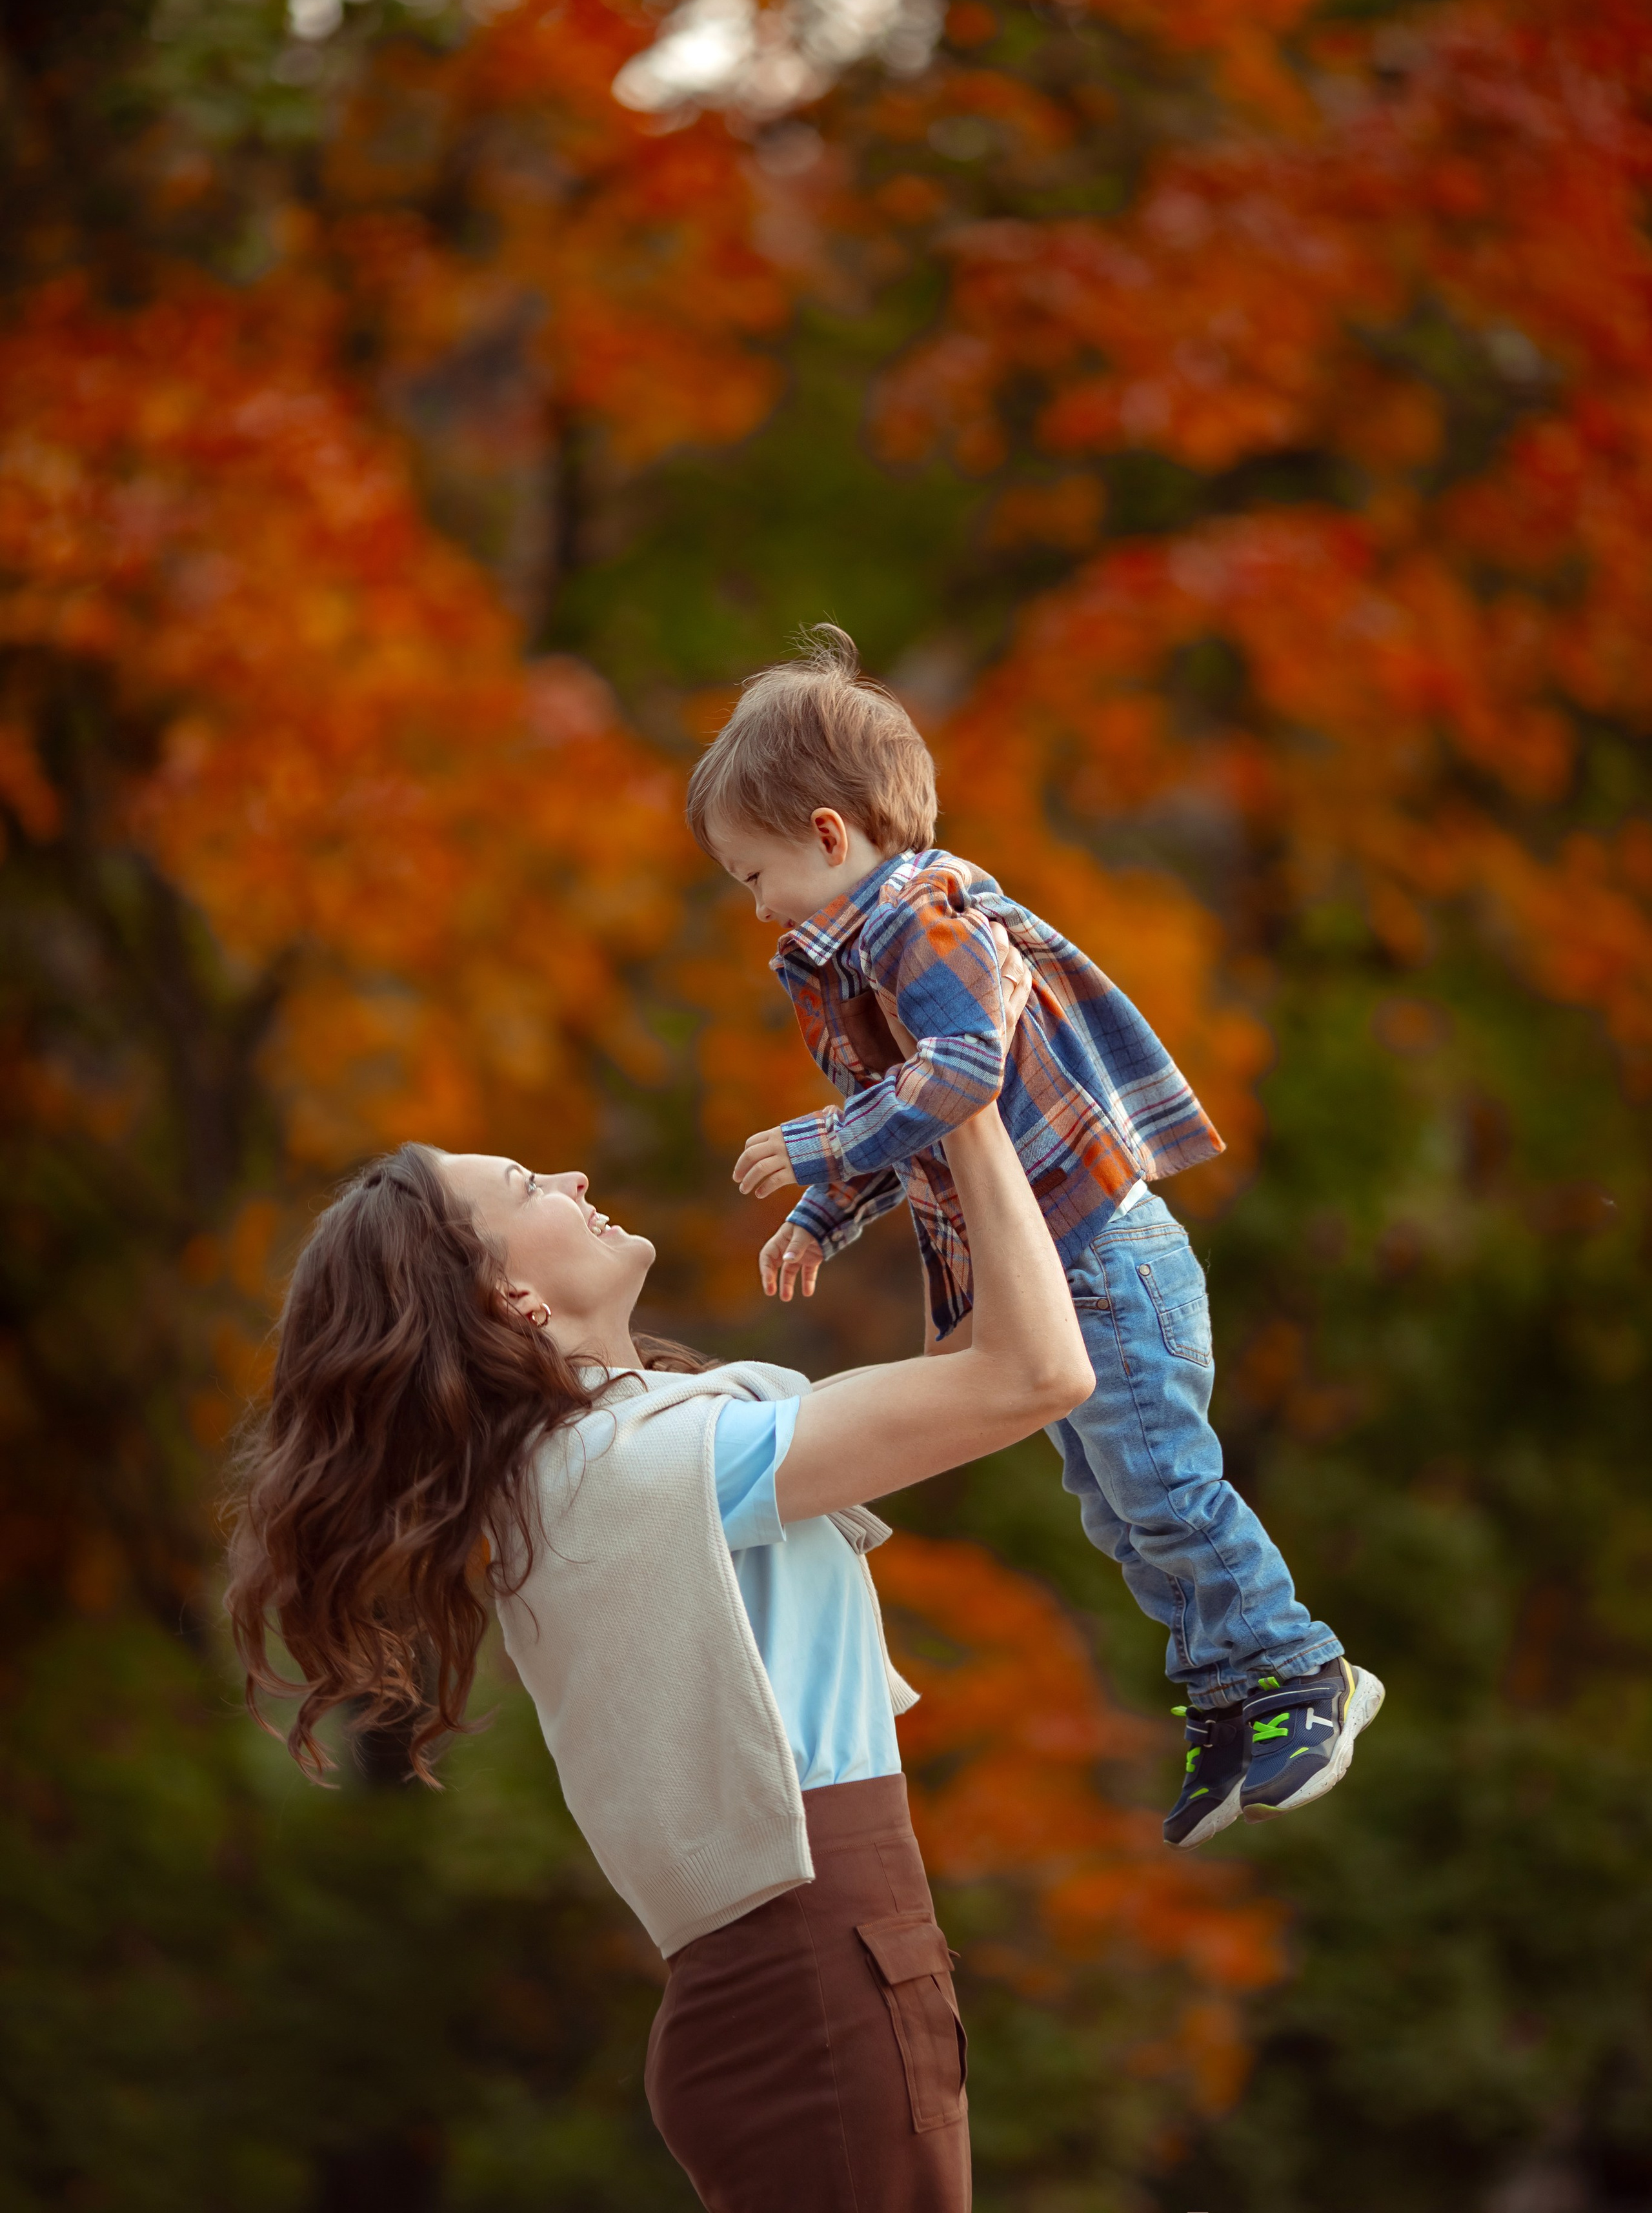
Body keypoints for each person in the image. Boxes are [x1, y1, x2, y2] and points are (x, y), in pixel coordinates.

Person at [226, 943, 1090, 2213]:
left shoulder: (626, 1453)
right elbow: (1031, 1376)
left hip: (820, 1982)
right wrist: (960, 1083)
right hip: (818, 1981)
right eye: (528, 1182)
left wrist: (924, 1099)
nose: (574, 1175)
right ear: (509, 1292)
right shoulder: (630, 1467)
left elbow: (970, 1359)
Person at [686, 624, 1384, 1849]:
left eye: (753, 876)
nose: (755, 911)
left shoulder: (922, 920)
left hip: (1104, 1260)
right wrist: (822, 1210)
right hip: (1053, 1276)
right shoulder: (857, 948)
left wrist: (816, 1148)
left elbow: (963, 1068)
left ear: (829, 837)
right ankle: (1226, 1698)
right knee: (1117, 1506)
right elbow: (902, 1114)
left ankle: (1294, 1674)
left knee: (1164, 1486)